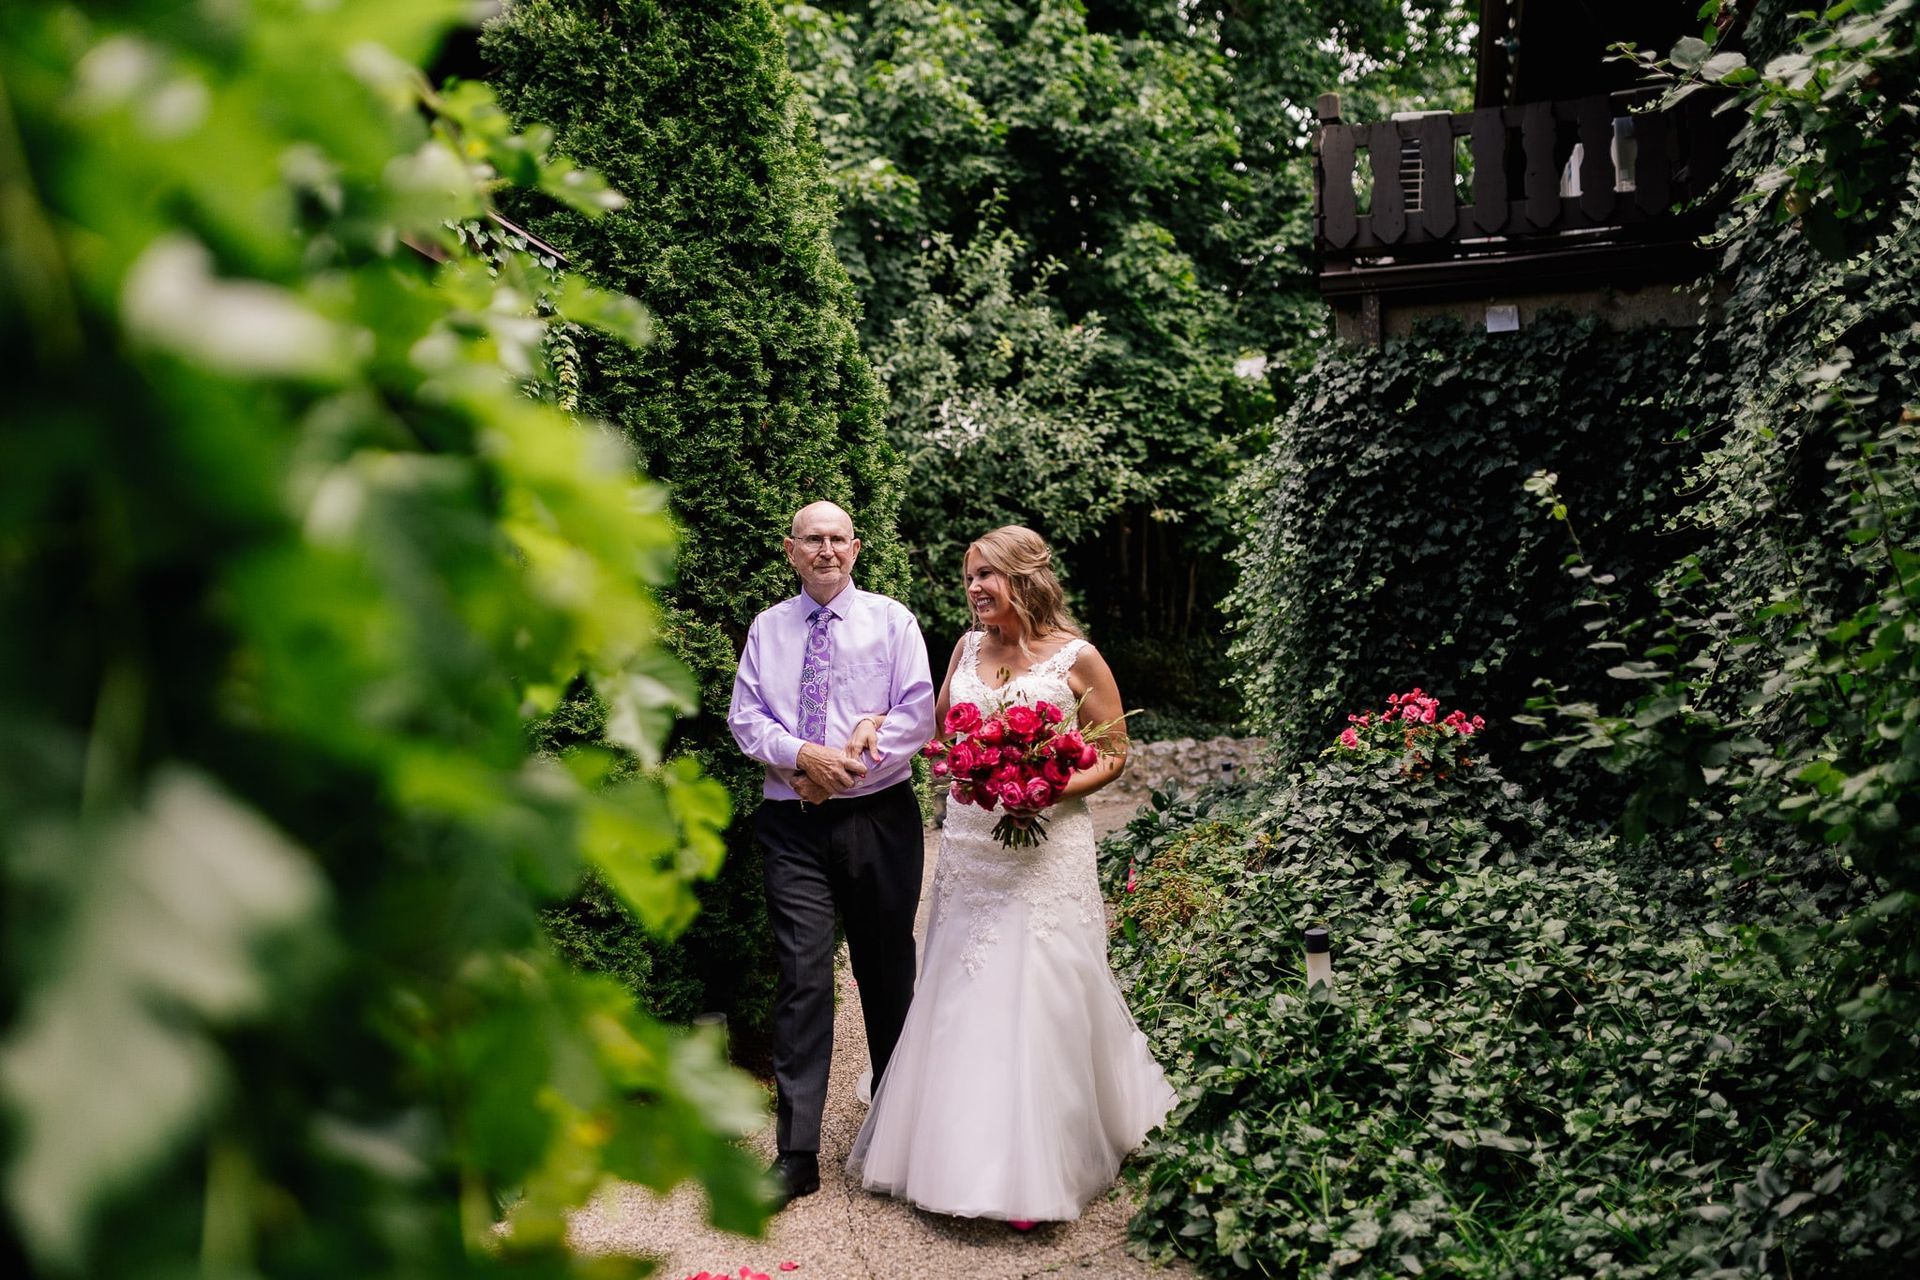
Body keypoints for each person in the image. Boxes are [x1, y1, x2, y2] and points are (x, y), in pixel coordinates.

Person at [846, 525, 1176, 1225]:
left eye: (987, 576)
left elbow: (1114, 751)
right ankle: (958, 1150)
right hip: (973, 849)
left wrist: (1050, 787)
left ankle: (1044, 1158)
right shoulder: (966, 648)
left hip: (1046, 848)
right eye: (969, 577)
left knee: (1041, 984)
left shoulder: (1078, 658)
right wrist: (896, 729)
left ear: (1027, 579)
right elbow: (938, 733)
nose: (974, 589)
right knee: (965, 984)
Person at [727, 501, 936, 1208]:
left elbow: (916, 713)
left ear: (856, 547)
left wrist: (845, 772)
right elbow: (746, 717)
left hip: (879, 818)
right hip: (793, 827)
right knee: (801, 976)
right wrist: (803, 757)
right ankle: (796, 1155)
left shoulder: (891, 620)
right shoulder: (767, 628)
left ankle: (900, 1134)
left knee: (886, 972)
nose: (826, 550)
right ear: (791, 551)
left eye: (837, 539)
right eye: (812, 539)